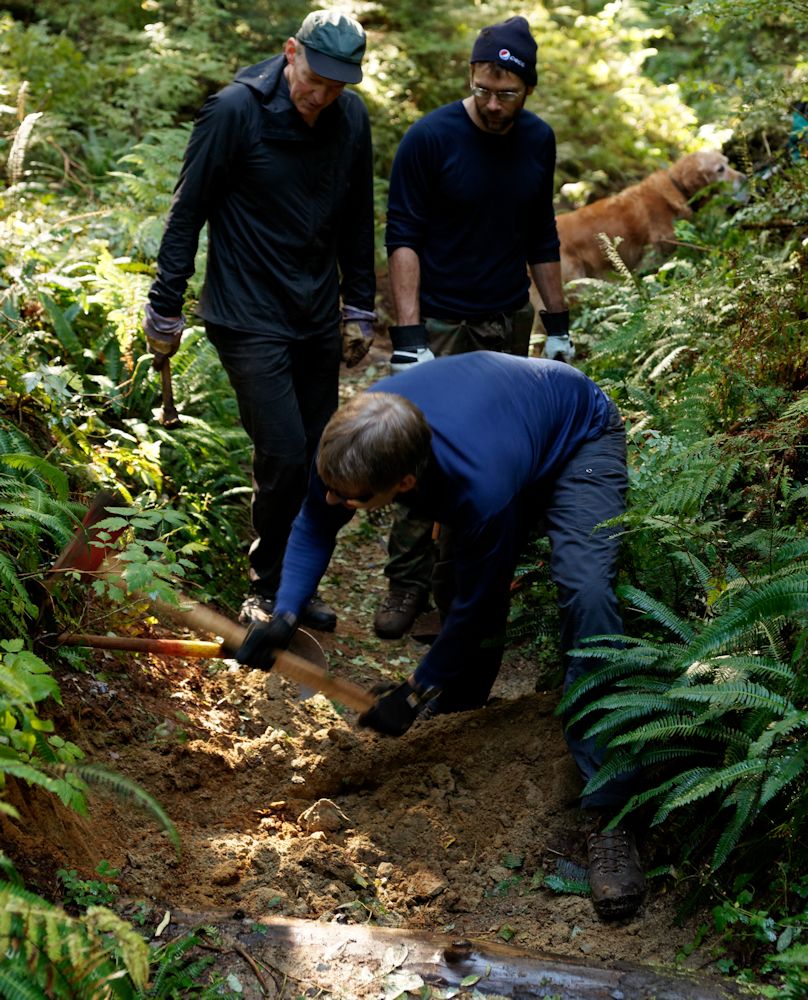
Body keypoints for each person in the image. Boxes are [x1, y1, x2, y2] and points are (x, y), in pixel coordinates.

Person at [235, 353, 646, 920]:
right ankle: (462, 705)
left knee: (587, 595)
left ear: (405, 484)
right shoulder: (351, 437)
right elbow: (313, 519)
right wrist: (282, 616)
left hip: (576, 436)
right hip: (497, 436)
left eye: (351, 499)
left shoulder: (477, 487)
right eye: (332, 488)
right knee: (453, 580)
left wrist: (413, 690)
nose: (335, 501)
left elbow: (482, 606)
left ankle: (612, 810)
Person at [144, 9, 377, 631]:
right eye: (315, 80)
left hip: (312, 312)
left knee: (322, 457)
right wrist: (165, 303)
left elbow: (357, 215)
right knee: (281, 452)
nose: (322, 96)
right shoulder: (234, 111)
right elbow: (186, 210)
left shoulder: (350, 119)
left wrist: (359, 304)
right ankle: (264, 586)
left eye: (337, 86)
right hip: (246, 313)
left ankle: (298, 585)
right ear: (290, 52)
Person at [375, 14, 573, 641]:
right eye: (482, 88)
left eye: (506, 93)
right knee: (415, 445)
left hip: (505, 318)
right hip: (437, 318)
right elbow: (401, 235)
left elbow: (541, 231)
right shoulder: (430, 138)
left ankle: (452, 591)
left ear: (528, 88)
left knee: (484, 454)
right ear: (472, 75)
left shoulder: (537, 141)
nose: (491, 104)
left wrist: (558, 322)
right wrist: (408, 336)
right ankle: (404, 583)